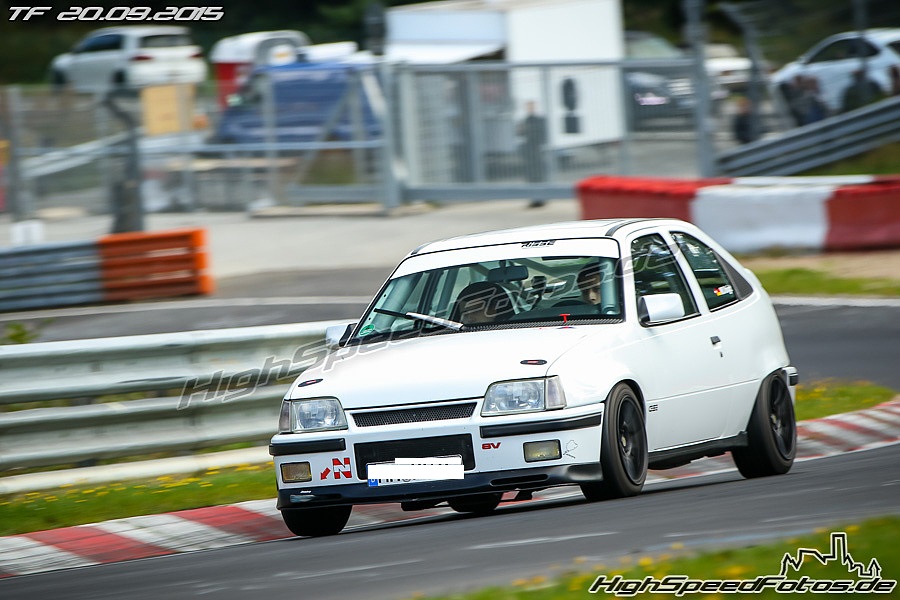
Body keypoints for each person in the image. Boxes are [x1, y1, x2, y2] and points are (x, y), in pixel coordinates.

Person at [518, 100, 547, 208]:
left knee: (538, 176)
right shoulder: (525, 120)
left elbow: (542, 134)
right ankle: (533, 199)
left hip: (537, 150)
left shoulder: (539, 120)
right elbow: (520, 133)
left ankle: (541, 198)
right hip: (529, 152)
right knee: (530, 177)